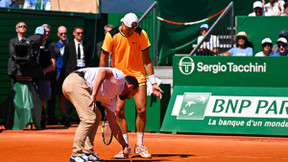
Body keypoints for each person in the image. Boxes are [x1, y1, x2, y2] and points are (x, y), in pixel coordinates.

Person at [100, 12, 163, 159]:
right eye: (128, 28)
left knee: (141, 110)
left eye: (133, 29)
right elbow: (103, 58)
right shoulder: (111, 35)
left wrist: (153, 82)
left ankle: (139, 144)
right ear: (122, 23)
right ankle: (125, 146)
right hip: (119, 78)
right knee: (119, 111)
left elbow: (147, 60)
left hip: (138, 76)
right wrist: (104, 79)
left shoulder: (141, 34)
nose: (130, 31)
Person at [62, 67, 136, 162]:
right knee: (89, 118)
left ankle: (88, 153)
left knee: (97, 116)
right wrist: (94, 95)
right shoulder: (120, 78)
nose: (130, 98)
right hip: (76, 82)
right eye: (132, 94)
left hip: (76, 85)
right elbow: (103, 72)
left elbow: (114, 126)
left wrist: (124, 146)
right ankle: (76, 154)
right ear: (130, 87)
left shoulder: (112, 99)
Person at [62, 26, 91, 127]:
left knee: (83, 96)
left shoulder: (87, 45)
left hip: (83, 72)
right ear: (74, 33)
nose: (80, 35)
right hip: (71, 72)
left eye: (82, 33)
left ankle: (82, 118)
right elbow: (65, 60)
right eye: (78, 33)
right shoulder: (69, 45)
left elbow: (88, 60)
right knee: (69, 96)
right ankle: (68, 118)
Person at [36, 25, 56, 127]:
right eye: (38, 35)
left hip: (45, 77)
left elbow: (53, 65)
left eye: (42, 35)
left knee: (43, 98)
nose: (40, 37)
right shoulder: (32, 44)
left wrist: (44, 71)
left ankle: (42, 119)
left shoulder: (50, 46)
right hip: (33, 77)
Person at [50, 26, 69, 124]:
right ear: (58, 34)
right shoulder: (55, 46)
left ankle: (66, 117)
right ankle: (53, 117)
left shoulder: (71, 44)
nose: (64, 35)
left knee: (66, 96)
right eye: (61, 34)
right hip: (57, 74)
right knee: (57, 96)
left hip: (69, 74)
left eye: (65, 33)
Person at [8, 22, 28, 87]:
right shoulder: (12, 41)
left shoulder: (29, 41)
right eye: (20, 26)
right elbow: (12, 53)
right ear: (16, 30)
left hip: (27, 71)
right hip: (15, 70)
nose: (23, 27)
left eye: (24, 26)